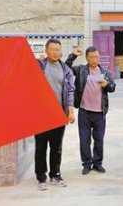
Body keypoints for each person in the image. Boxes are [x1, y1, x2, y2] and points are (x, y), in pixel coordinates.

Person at [35, 39, 75, 191]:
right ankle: (41, 177)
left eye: (58, 50)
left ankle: (55, 174)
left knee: (56, 147)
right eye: (52, 49)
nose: (55, 52)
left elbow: (70, 91)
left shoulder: (66, 70)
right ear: (46, 50)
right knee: (40, 147)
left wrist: (70, 111)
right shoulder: (39, 66)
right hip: (41, 115)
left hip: (59, 115)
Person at [71, 46, 116, 175]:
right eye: (91, 57)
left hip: (100, 113)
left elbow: (113, 87)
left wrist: (107, 85)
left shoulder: (105, 72)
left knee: (99, 139)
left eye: (96, 57)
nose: (94, 59)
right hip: (84, 112)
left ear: (99, 57)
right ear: (86, 58)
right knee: (84, 140)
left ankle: (98, 164)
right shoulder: (81, 70)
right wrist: (73, 55)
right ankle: (86, 164)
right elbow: (66, 68)